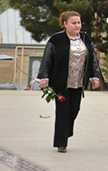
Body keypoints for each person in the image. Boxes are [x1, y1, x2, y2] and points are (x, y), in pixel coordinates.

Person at [37, 11, 101, 153]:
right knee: (63, 111)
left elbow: (92, 59)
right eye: (74, 23)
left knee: (74, 110)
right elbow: (47, 59)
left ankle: (65, 132)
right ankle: (61, 143)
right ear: (65, 24)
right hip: (61, 82)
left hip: (78, 82)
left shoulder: (85, 38)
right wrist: (44, 77)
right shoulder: (56, 39)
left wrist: (95, 76)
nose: (77, 25)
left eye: (79, 23)